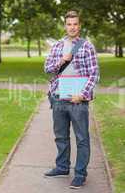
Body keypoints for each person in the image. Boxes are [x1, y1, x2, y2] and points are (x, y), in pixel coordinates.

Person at [44, 10, 99, 189]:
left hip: (77, 98)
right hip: (59, 96)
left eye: (75, 24)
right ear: (65, 25)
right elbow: (47, 69)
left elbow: (94, 74)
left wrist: (82, 94)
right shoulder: (58, 46)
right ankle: (62, 167)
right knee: (61, 135)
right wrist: (61, 60)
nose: (72, 27)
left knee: (82, 138)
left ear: (79, 26)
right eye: (69, 24)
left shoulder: (86, 46)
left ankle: (80, 174)